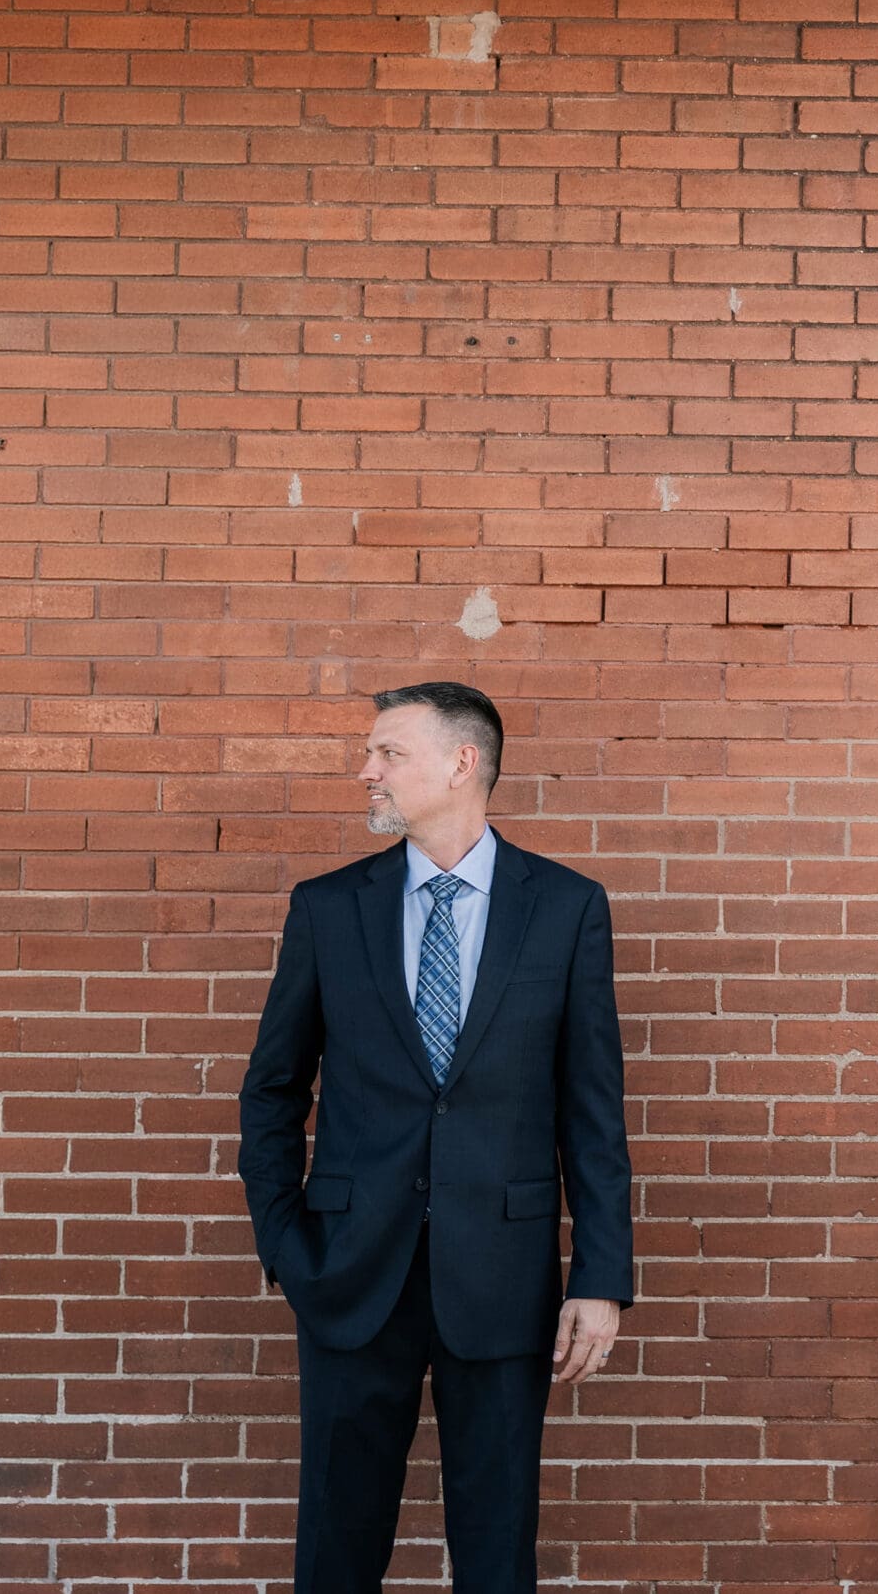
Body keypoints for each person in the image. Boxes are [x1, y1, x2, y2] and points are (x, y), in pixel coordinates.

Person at [237, 681, 633, 1594]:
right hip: (346, 1268)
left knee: (497, 1550)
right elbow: (272, 1090)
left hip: (502, 1271)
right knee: (337, 1546)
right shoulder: (329, 907)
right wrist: (285, 1239)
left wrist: (601, 1277)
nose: (366, 770)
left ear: (463, 764)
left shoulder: (567, 907)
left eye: (388, 753)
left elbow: (591, 1107)